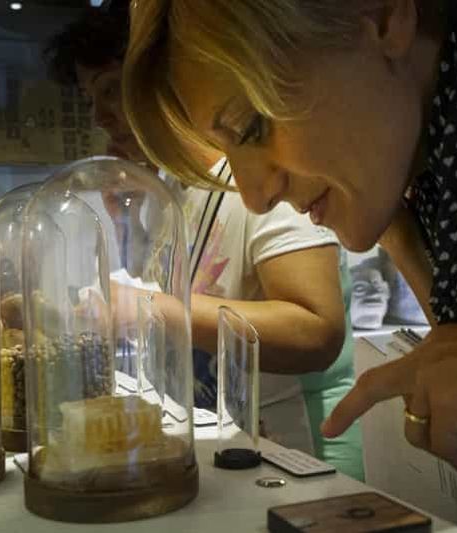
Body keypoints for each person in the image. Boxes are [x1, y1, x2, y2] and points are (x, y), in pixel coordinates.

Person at [122, 0, 457, 496]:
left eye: (253, 127)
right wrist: (399, 233)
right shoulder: (443, 177)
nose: (256, 196)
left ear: (386, 16)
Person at [44, 2, 365, 479]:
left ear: (163, 80)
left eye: (111, 90)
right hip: (227, 451)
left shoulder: (263, 174)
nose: (100, 117)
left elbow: (316, 331)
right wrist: (130, 227)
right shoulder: (170, 190)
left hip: (302, 458)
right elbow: (178, 302)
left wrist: (147, 307)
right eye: (91, 100)